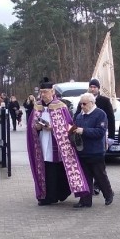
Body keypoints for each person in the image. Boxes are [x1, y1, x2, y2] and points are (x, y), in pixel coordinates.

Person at [27, 77, 88, 205]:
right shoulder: (37, 106)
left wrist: (53, 128)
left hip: (58, 146)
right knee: (46, 170)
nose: (43, 95)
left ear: (52, 92)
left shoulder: (61, 106)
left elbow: (69, 125)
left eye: (46, 92)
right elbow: (31, 126)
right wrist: (37, 127)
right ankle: (47, 197)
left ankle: (61, 193)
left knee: (57, 170)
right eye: (41, 92)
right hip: (42, 144)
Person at [70, 93, 114, 208]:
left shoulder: (100, 114)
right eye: (81, 104)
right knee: (85, 177)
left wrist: (83, 131)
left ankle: (108, 194)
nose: (82, 106)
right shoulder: (79, 115)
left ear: (92, 103)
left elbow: (100, 132)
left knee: (100, 175)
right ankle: (85, 201)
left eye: (84, 104)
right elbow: (75, 129)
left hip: (96, 151)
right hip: (82, 151)